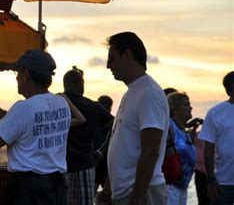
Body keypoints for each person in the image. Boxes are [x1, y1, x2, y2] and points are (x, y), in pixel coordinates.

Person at [0, 49, 80, 205]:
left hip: (31, 192)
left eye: (17, 73)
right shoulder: (61, 103)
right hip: (57, 189)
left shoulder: (23, 108)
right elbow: (28, 126)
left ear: (25, 74)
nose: (16, 78)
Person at [96, 31, 169, 205]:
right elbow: (122, 146)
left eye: (111, 58)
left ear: (127, 54)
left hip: (142, 193)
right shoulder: (131, 92)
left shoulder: (149, 94)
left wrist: (137, 196)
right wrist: (108, 188)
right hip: (126, 192)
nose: (108, 66)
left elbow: (150, 151)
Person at [63, 67, 114, 205]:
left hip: (62, 164)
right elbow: (114, 126)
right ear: (79, 84)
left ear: (65, 84)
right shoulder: (93, 106)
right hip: (86, 162)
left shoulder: (57, 103)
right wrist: (101, 151)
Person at [199, 71, 234, 205]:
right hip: (223, 183)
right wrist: (211, 180)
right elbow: (208, 149)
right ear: (231, 86)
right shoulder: (215, 113)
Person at [165, 92, 196, 205]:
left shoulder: (182, 129)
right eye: (186, 105)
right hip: (170, 187)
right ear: (174, 109)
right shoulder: (168, 126)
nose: (190, 107)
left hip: (182, 187)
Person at [94, 95, 114, 193]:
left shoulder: (93, 121)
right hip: (107, 163)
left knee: (91, 195)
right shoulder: (113, 122)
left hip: (97, 162)